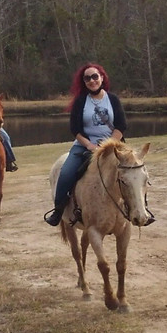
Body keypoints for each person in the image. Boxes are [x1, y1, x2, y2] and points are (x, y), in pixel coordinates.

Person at [44, 63, 127, 226]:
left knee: (135, 172)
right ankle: (58, 211)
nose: (91, 80)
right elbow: (75, 129)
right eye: (87, 78)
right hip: (84, 145)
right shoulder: (80, 101)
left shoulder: (113, 99)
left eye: (95, 76)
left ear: (102, 78)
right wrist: (89, 145)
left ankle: (141, 209)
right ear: (84, 82)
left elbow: (121, 126)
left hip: (113, 145)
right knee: (66, 173)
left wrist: (109, 145)